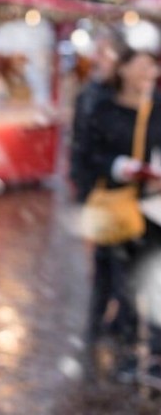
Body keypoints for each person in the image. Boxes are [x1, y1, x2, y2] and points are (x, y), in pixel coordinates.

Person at [88, 32, 161, 385]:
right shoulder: (104, 106)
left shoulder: (158, 106)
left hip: (156, 211)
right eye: (144, 63)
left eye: (153, 63)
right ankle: (130, 353)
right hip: (119, 208)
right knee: (126, 286)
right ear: (126, 68)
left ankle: (157, 358)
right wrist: (118, 166)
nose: (151, 70)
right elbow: (89, 154)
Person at [68, 25, 122, 351]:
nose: (100, 58)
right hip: (96, 191)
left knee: (114, 260)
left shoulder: (119, 95)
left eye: (107, 52)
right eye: (98, 51)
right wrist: (81, 184)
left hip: (118, 192)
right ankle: (100, 318)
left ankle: (110, 318)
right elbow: (80, 144)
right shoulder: (91, 92)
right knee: (101, 260)